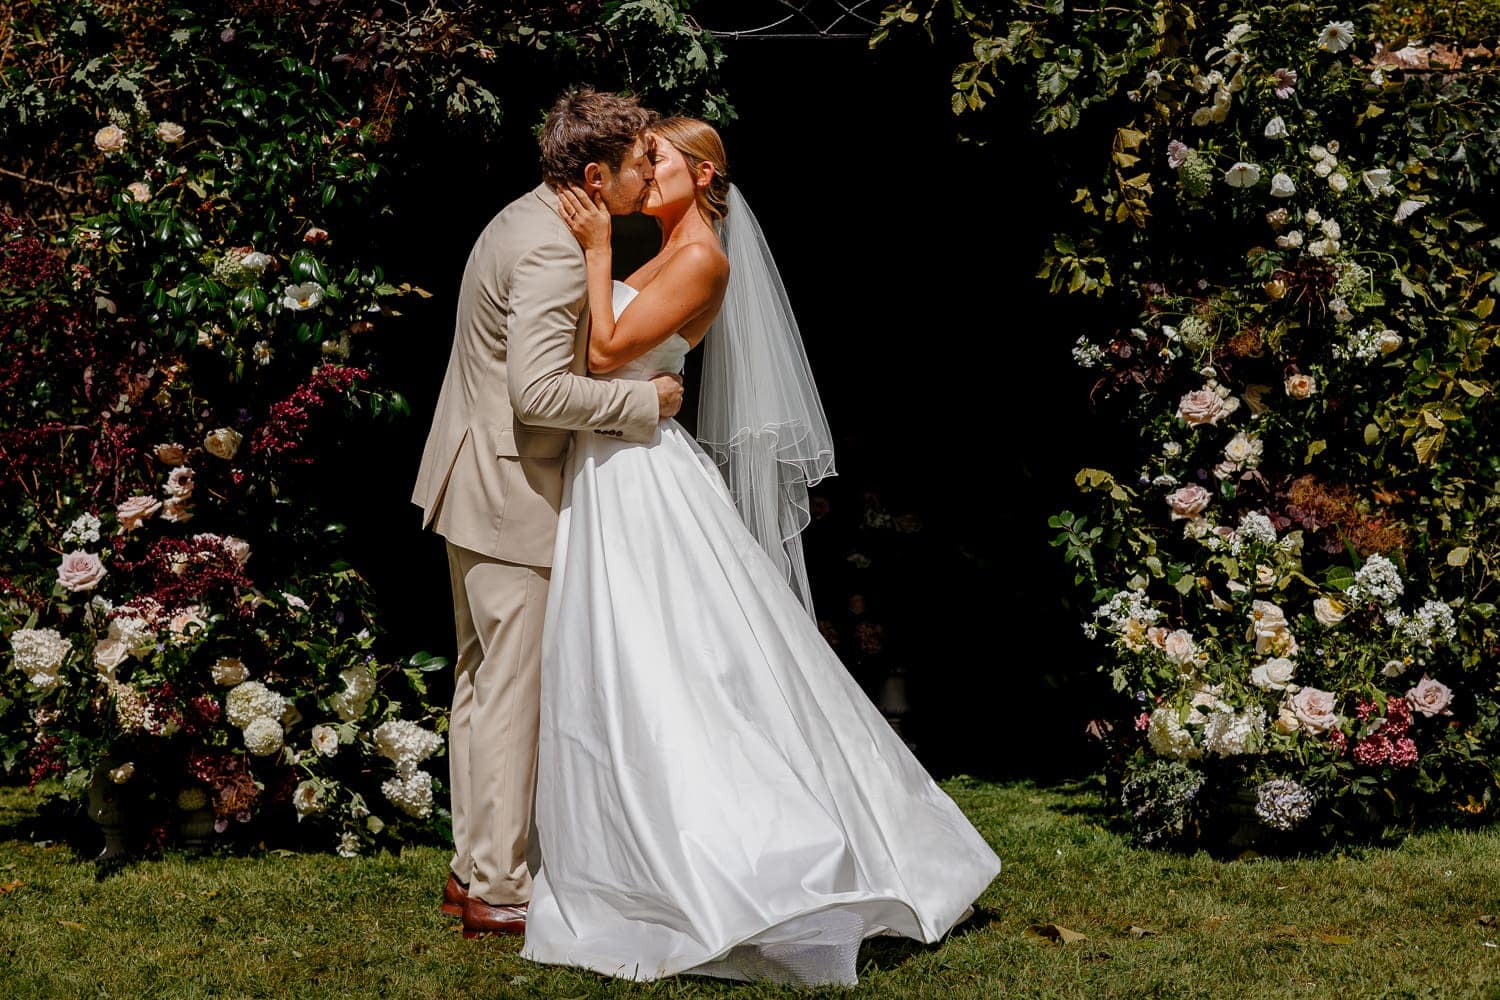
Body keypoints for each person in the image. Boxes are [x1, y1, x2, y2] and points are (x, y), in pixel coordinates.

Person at [519, 116, 1001, 986]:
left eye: (656, 157)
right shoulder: (665, 248)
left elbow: (600, 351)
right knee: (628, 661)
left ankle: (764, 855)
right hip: (613, 467)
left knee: (675, 662)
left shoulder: (702, 255)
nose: (642, 171)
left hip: (641, 476)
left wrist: (595, 250)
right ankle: (631, 849)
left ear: (702, 174)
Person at [409, 88, 687, 939]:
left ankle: (473, 870)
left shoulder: (524, 219)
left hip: (473, 482)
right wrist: (645, 403)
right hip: (509, 495)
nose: (651, 170)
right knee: (511, 694)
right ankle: (498, 887)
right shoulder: (554, 252)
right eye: (642, 159)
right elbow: (536, 393)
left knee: (481, 685)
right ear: (597, 174)